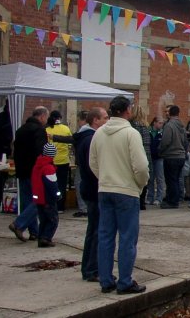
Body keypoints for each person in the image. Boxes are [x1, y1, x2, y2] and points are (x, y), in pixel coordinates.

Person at [90, 96, 149, 295]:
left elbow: (93, 162)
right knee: (127, 238)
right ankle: (125, 281)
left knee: (105, 236)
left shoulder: (99, 133)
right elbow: (141, 166)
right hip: (126, 190)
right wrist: (140, 184)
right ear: (127, 110)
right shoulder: (130, 134)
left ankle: (106, 280)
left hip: (105, 188)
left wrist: (105, 178)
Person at [74, 106, 108, 282]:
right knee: (96, 231)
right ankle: (91, 269)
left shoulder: (85, 138)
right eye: (105, 118)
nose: (107, 121)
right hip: (94, 189)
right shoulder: (90, 140)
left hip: (91, 188)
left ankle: (90, 267)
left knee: (94, 230)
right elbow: (92, 167)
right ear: (96, 120)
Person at [8, 107, 49, 242]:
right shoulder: (39, 131)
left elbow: (15, 150)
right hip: (34, 170)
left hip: (22, 169)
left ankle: (34, 232)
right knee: (39, 200)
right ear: (42, 116)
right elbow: (41, 151)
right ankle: (19, 224)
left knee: (27, 200)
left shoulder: (20, 130)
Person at [31, 143, 60, 247]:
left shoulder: (37, 165)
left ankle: (41, 237)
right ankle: (46, 238)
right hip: (48, 198)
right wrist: (58, 195)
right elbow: (53, 185)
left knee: (43, 220)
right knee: (53, 220)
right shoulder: (49, 168)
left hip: (38, 198)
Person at [159, 105, 187, 209]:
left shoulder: (169, 125)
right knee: (176, 179)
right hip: (181, 156)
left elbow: (165, 141)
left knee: (171, 180)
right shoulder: (181, 125)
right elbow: (185, 141)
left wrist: (160, 150)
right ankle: (176, 198)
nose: (166, 113)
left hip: (171, 156)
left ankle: (172, 201)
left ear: (170, 113)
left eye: (167, 111)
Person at [46, 110, 72, 213]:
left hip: (51, 161)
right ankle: (60, 206)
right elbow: (70, 143)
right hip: (63, 161)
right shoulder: (66, 128)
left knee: (51, 184)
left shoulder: (47, 129)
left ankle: (51, 204)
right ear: (60, 118)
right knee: (62, 184)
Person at [129, 105, 152, 211]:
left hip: (138, 151)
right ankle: (142, 202)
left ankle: (138, 201)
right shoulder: (146, 126)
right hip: (147, 153)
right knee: (145, 178)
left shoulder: (133, 126)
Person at [147, 117, 165, 205]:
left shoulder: (162, 133)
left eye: (162, 123)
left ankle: (159, 197)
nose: (161, 125)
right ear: (154, 123)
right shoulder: (148, 131)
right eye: (160, 123)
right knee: (150, 178)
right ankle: (150, 197)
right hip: (150, 157)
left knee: (160, 178)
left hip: (159, 158)